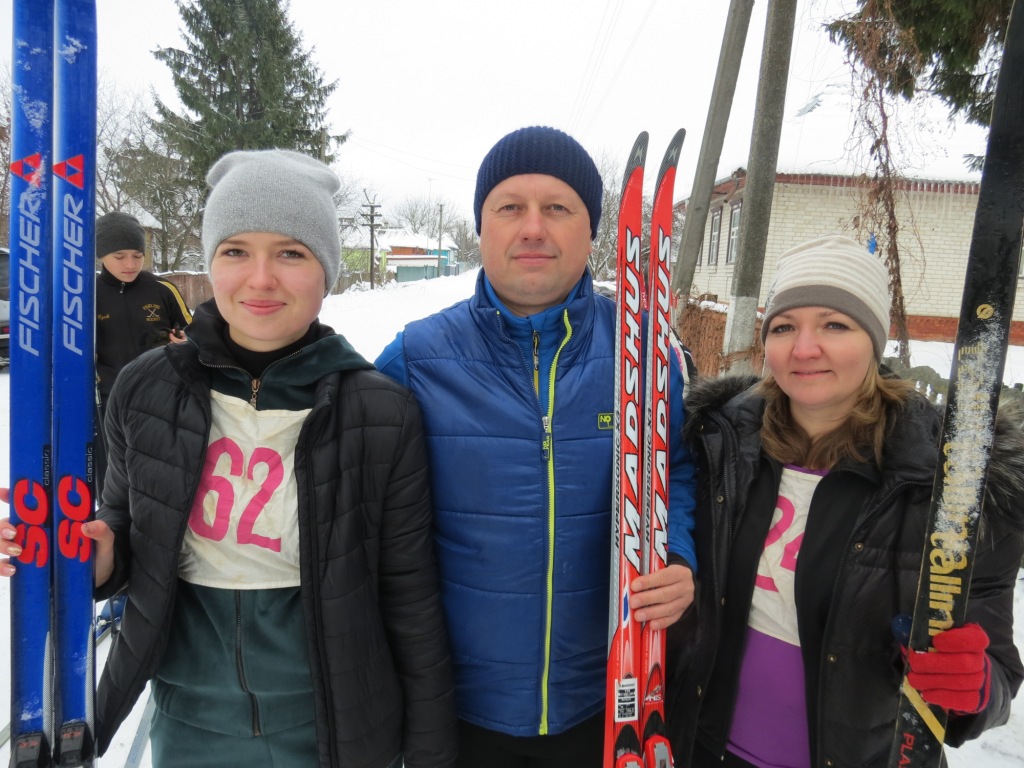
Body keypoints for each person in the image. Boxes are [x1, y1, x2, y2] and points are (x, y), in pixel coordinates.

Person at [2, 148, 457, 768]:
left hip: (334, 727)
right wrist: (102, 559)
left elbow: (409, 596)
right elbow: (129, 529)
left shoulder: (380, 412)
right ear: (212, 263)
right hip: (191, 720)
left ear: (326, 269)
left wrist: (431, 751)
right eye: (235, 251)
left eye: (291, 253)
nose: (261, 278)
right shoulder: (145, 390)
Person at [374, 125, 698, 767]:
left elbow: (677, 469)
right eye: (509, 208)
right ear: (481, 227)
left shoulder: (646, 357)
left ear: (591, 230)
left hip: (604, 704)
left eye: (557, 208)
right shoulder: (415, 359)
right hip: (459, 711)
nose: (532, 228)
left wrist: (680, 555)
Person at [666, 234, 1024, 767]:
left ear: (873, 340)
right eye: (784, 327)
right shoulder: (717, 442)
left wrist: (974, 689)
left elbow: (993, 671)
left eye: (835, 324)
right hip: (705, 750)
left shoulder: (949, 477)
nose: (804, 348)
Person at [94, 210, 192, 412]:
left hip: (162, 394)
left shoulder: (163, 289)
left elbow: (196, 334)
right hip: (110, 398)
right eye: (119, 256)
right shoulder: (88, 295)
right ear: (101, 255)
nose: (130, 264)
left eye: (137, 256)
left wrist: (187, 342)